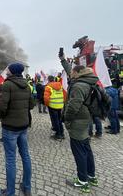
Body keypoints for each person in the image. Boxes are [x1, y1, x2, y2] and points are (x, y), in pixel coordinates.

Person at [0, 63, 35, 196]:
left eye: (8, 70)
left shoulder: (7, 85)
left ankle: (10, 192)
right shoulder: (27, 85)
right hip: (23, 126)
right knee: (25, 156)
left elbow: (1, 107)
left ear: (12, 72)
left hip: (10, 127)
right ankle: (26, 186)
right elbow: (32, 104)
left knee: (11, 159)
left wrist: (4, 116)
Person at [63, 65, 100, 193]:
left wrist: (67, 119)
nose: (70, 73)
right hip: (86, 120)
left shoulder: (78, 86)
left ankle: (82, 181)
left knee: (79, 152)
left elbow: (73, 107)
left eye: (72, 71)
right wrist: (63, 61)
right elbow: (70, 71)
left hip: (77, 123)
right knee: (87, 149)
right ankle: (91, 176)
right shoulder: (88, 81)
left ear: (78, 73)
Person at [44, 75, 65, 140]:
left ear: (48, 80)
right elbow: (64, 94)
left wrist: (47, 104)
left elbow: (46, 98)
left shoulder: (48, 87)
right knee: (59, 120)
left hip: (52, 106)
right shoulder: (60, 85)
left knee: (55, 120)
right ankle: (62, 133)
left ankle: (58, 134)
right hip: (60, 105)